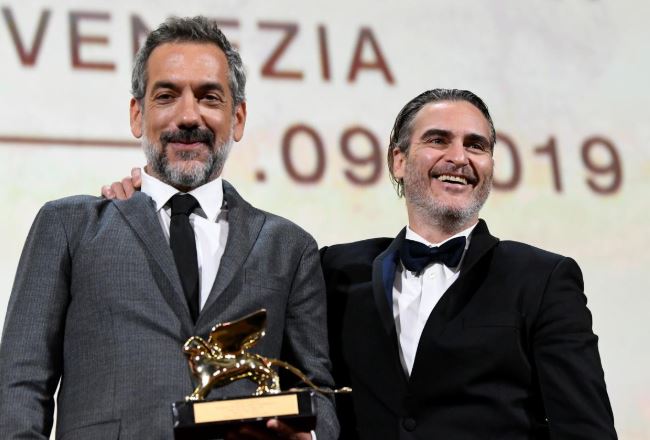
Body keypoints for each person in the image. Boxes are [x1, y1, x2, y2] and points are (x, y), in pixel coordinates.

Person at [100, 88, 617, 439]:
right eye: (438, 140)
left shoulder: (544, 278)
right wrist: (151, 206)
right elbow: (219, 297)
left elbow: (585, 428)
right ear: (398, 160)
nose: (459, 157)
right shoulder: (332, 269)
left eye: (476, 146)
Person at [0, 17, 338, 440]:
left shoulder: (289, 247)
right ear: (137, 114)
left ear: (238, 117)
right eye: (167, 95)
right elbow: (19, 385)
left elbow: (317, 389)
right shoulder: (69, 225)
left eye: (209, 97)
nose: (188, 115)